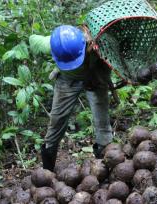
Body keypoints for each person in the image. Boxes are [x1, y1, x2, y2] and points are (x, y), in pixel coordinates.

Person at [41, 25, 113, 171]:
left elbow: (115, 61)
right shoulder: (47, 44)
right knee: (56, 120)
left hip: (95, 77)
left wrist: (102, 77)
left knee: (102, 123)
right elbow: (31, 39)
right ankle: (47, 173)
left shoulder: (99, 42)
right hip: (68, 80)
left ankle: (104, 168)